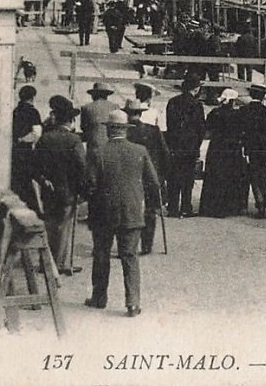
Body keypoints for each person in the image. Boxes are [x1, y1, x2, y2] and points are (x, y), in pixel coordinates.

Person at [84, 109, 160, 317]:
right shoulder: (140, 151)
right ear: (125, 130)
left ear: (109, 130)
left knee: (101, 255)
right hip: (132, 211)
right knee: (130, 256)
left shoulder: (97, 152)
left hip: (103, 213)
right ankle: (132, 303)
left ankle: (99, 298)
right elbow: (153, 182)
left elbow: (89, 184)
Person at [33, 97, 86, 274]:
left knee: (49, 226)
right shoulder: (74, 141)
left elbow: (34, 166)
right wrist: (83, 191)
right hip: (68, 191)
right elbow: (81, 167)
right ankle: (60, 265)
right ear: (71, 121)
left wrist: (43, 180)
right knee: (64, 228)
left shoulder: (45, 139)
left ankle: (47, 263)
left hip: (49, 190)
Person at [123, 99, 170, 255]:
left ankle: (130, 245)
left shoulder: (125, 133)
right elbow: (165, 154)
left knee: (130, 211)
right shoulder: (154, 130)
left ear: (127, 114)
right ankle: (147, 246)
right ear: (140, 113)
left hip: (131, 178)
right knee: (150, 211)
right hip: (150, 176)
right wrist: (161, 176)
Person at [199, 89, 248, 217]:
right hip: (232, 148)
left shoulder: (214, 113)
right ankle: (229, 207)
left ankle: (211, 206)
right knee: (230, 176)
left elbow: (207, 130)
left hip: (217, 146)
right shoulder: (237, 115)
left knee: (215, 175)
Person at [164, 74, 205, 218]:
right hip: (190, 146)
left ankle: (172, 207)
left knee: (173, 177)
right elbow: (201, 129)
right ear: (196, 88)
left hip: (175, 144)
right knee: (188, 179)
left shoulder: (172, 102)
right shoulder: (197, 105)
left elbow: (169, 125)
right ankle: (186, 206)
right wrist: (196, 144)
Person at [239, 84, 266, 218]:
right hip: (265, 148)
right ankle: (262, 204)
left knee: (250, 174)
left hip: (250, 147)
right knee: (264, 176)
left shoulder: (244, 110)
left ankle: (247, 202)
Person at [11, 85, 43, 212]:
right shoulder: (33, 112)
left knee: (18, 180)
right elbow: (37, 134)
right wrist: (23, 140)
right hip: (27, 150)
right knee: (28, 180)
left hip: (15, 150)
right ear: (32, 97)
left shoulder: (15, 111)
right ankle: (33, 209)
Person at [80, 82, 119, 159]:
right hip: (111, 145)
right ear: (106, 95)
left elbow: (83, 127)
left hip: (94, 145)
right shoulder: (115, 107)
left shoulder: (86, 108)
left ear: (93, 95)